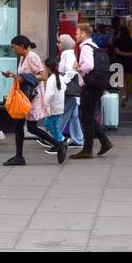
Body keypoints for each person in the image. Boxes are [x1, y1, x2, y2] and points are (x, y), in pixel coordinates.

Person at [2, 35, 65, 166]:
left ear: (22, 46)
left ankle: (59, 144)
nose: (13, 50)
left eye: (14, 47)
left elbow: (43, 76)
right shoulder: (22, 57)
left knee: (31, 127)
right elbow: (22, 77)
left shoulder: (32, 57)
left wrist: (24, 77)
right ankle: (19, 156)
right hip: (24, 96)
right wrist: (12, 75)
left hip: (33, 97)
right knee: (19, 125)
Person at [69, 23, 114, 160]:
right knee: (88, 116)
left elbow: (89, 65)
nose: (75, 36)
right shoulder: (95, 46)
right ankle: (104, 142)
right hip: (97, 85)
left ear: (83, 34)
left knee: (86, 117)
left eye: (77, 33)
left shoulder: (86, 48)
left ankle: (88, 149)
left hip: (89, 86)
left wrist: (78, 68)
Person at [57, 34, 84, 146]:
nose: (57, 44)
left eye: (59, 42)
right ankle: (78, 139)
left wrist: (62, 82)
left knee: (63, 114)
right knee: (73, 116)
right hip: (71, 90)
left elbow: (71, 71)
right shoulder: (67, 54)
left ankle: (54, 137)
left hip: (69, 90)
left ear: (65, 44)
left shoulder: (68, 55)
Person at [111, 18, 132, 104]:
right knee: (128, 81)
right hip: (130, 62)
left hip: (119, 61)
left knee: (120, 81)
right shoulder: (131, 41)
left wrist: (124, 54)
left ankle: (123, 95)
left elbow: (117, 52)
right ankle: (127, 97)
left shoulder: (117, 40)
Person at [41, 56, 66, 147]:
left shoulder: (51, 79)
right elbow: (64, 88)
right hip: (59, 106)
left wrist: (44, 105)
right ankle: (57, 141)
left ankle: (60, 141)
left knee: (51, 125)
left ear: (48, 68)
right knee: (52, 125)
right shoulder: (59, 77)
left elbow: (49, 95)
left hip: (53, 107)